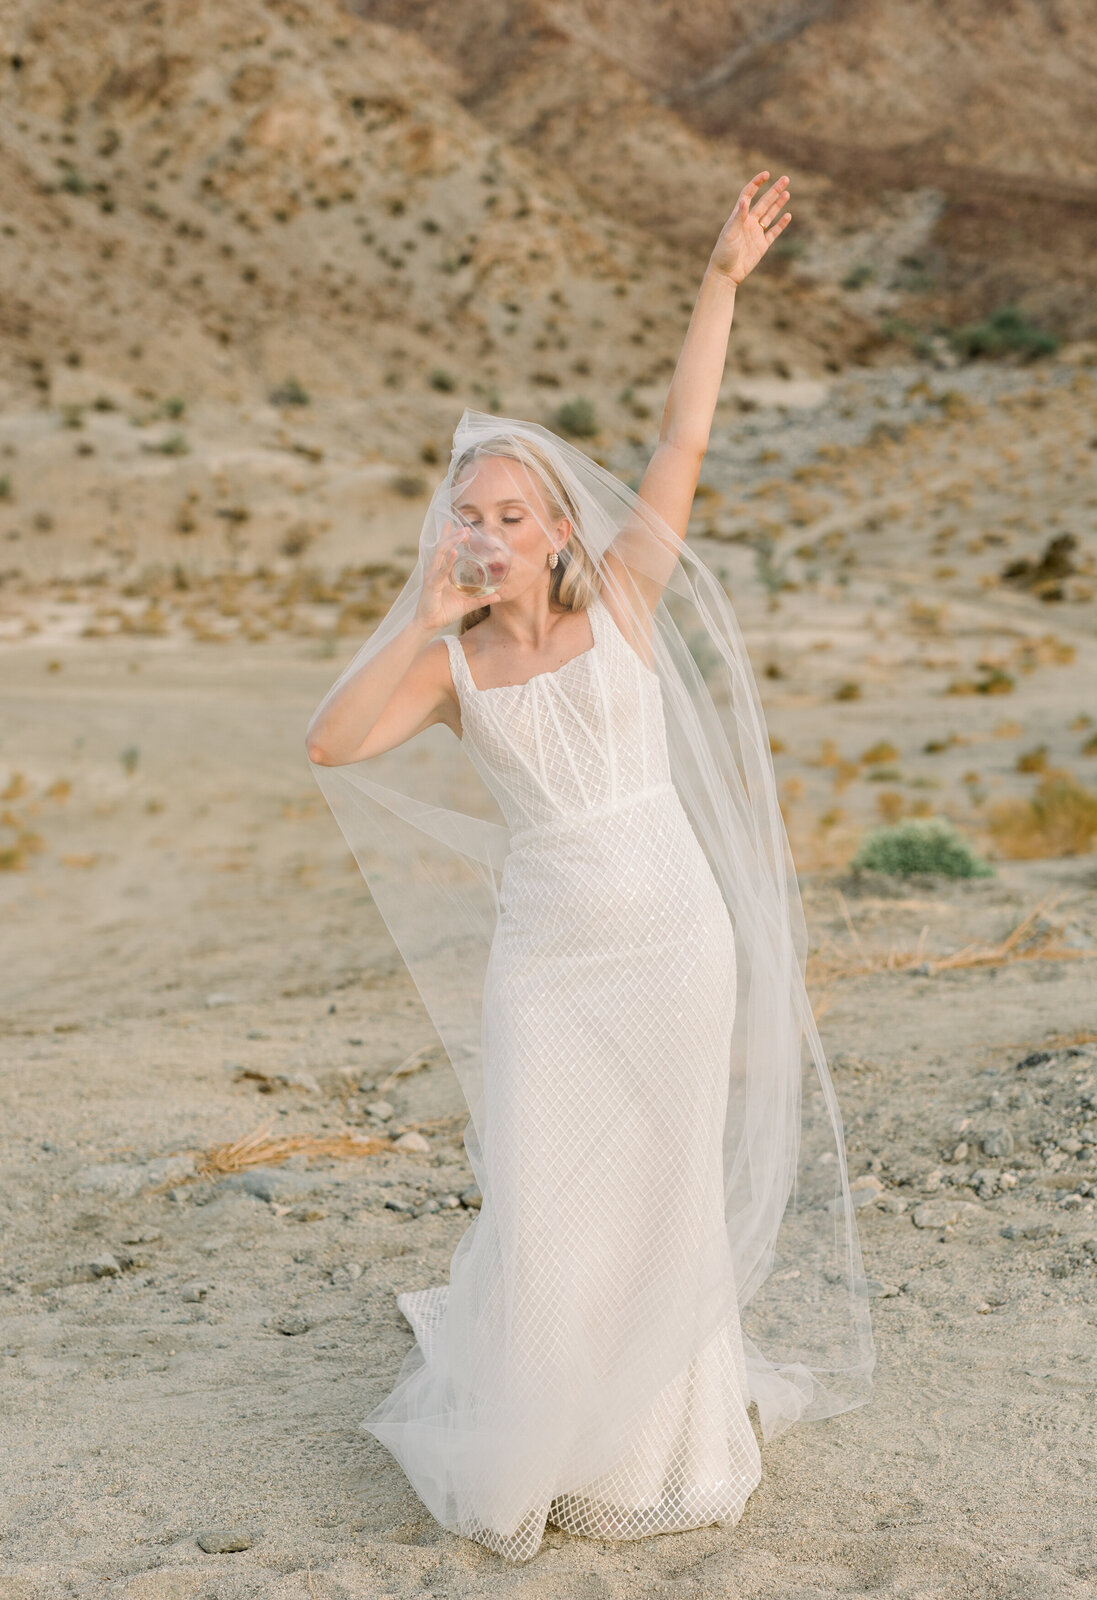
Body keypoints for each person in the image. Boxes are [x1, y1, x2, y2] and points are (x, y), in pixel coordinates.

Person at [305, 173, 874, 1564]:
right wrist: (426, 618)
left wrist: (722, 281)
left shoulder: (621, 595)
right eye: (465, 516)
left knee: (661, 1188)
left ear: (557, 526)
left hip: (677, 946)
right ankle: (545, 1447)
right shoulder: (447, 668)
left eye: (509, 512)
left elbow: (685, 434)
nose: (485, 531)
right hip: (547, 965)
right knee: (552, 1200)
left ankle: (653, 1448)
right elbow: (330, 745)